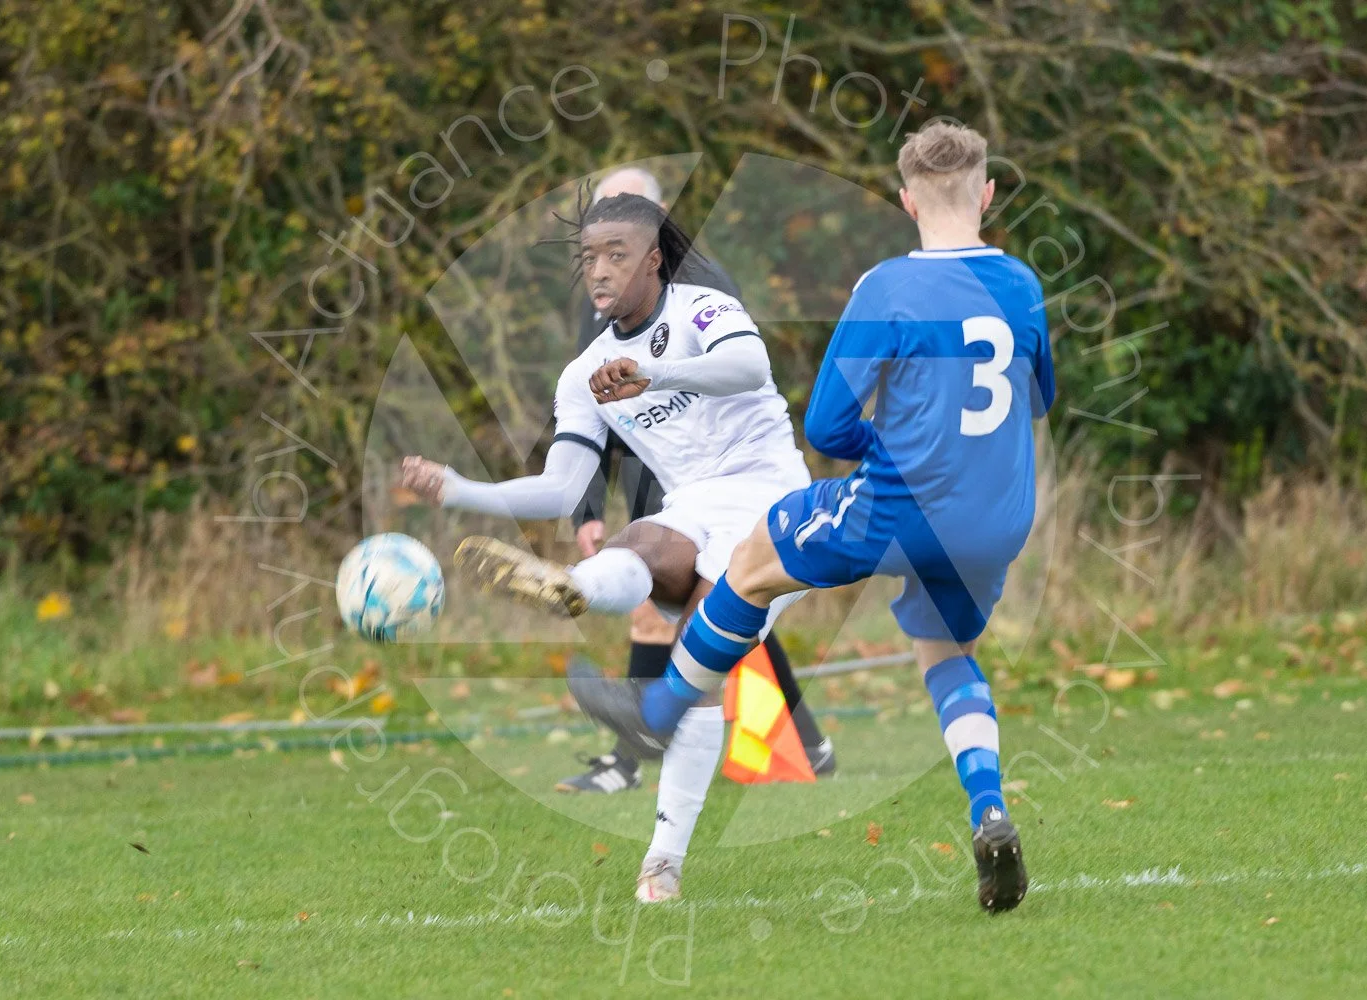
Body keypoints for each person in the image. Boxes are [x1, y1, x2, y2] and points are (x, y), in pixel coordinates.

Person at [567, 121, 1056, 913]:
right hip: (999, 518)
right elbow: (1039, 400)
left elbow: (827, 427)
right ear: (988, 194)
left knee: (757, 558)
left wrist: (885, 444)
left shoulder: (888, 288)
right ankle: (989, 808)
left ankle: (658, 709)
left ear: (904, 200)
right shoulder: (1022, 286)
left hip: (904, 504)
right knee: (945, 654)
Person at [400, 192, 817, 903]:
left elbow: (749, 367)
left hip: (773, 504)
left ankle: (663, 857)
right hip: (693, 507)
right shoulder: (584, 372)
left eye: (616, 254)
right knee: (644, 540)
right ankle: (575, 587)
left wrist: (659, 374)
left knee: (697, 666)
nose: (598, 270)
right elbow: (563, 489)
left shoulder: (701, 310)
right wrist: (461, 488)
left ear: (654, 259)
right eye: (588, 257)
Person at [558, 168, 832, 796]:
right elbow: (589, 407)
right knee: (721, 609)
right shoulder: (601, 296)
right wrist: (587, 510)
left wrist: (657, 375)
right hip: (663, 472)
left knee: (711, 609)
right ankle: (801, 739)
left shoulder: (700, 285)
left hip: (724, 472)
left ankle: (635, 747)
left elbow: (734, 369)